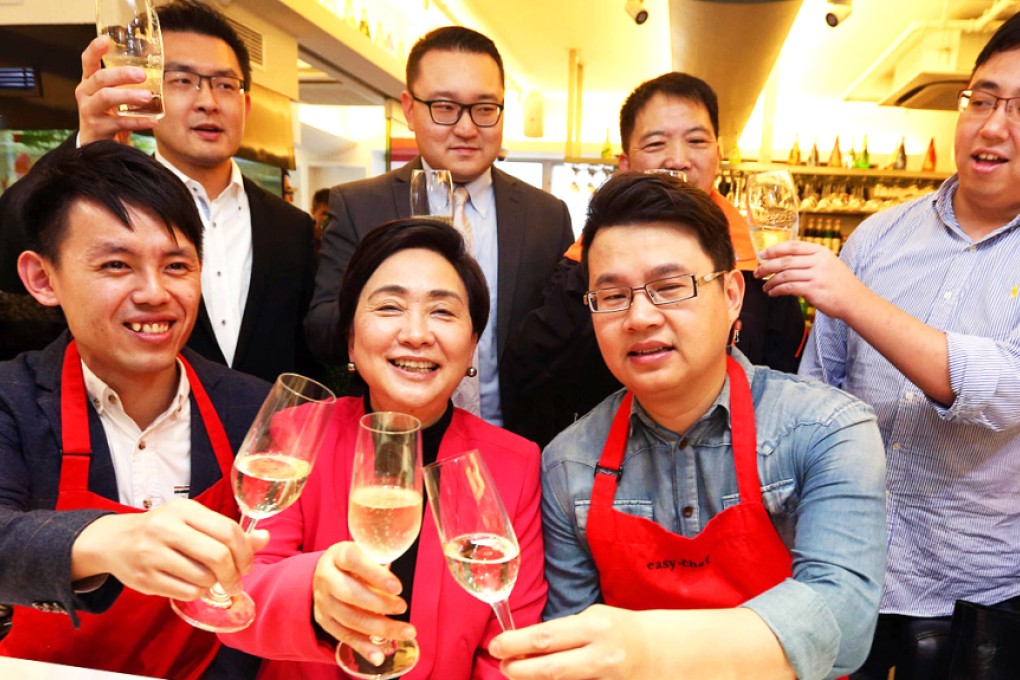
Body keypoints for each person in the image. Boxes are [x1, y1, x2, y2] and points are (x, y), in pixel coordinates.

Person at [489, 172, 886, 679]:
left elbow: (844, 623)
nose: (639, 317)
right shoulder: (570, 463)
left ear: (732, 295)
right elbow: (574, 638)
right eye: (611, 297)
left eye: (670, 287)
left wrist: (647, 649)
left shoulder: (827, 429)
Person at [758, 13, 1020, 679]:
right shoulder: (877, 237)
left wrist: (854, 300)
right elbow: (822, 394)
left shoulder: (854, 278)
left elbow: (1001, 391)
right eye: (981, 99)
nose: (992, 126)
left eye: (1019, 109)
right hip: (846, 566)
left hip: (977, 591)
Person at [221, 219, 547, 679]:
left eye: (443, 312)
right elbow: (243, 596)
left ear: (472, 345)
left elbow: (509, 643)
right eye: (390, 307)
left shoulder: (513, 463)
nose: (416, 334)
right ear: (351, 337)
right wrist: (314, 590)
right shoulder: (297, 435)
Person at [0, 141, 270, 679]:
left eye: (176, 265)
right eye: (117, 264)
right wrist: (107, 538)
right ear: (42, 278)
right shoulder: (12, 398)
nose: (154, 293)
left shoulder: (250, 407)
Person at [502, 72, 805, 447]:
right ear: (625, 162)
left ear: (718, 155)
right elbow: (534, 373)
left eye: (696, 141)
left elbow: (785, 373)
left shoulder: (757, 264)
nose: (678, 159)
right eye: (656, 142)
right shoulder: (585, 264)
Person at [306, 26, 573, 429]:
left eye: (485, 108)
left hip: (516, 442)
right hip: (392, 438)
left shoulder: (546, 216)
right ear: (410, 110)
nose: (466, 128)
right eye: (445, 107)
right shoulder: (359, 206)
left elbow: (561, 340)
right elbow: (321, 330)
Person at [71, 0, 318, 384]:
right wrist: (87, 144)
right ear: (147, 91)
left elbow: (304, 356)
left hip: (268, 438)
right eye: (183, 80)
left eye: (225, 85)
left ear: (246, 104)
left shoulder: (292, 227)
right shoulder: (107, 210)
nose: (208, 102)